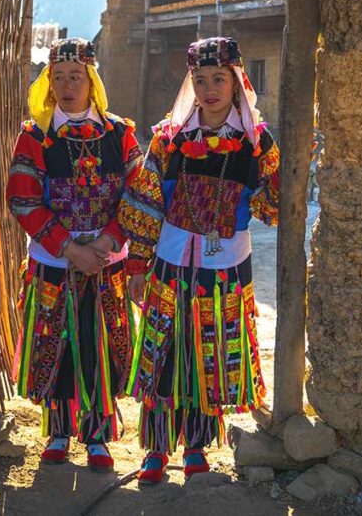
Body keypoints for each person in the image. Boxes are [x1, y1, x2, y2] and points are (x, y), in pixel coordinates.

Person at [118, 36, 280, 484]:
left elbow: (271, 209)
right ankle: (154, 449)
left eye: (219, 79)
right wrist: (136, 267)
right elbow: (147, 204)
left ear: (236, 82)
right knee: (162, 353)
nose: (210, 89)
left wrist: (285, 172)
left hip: (224, 270)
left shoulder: (256, 144)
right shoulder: (170, 139)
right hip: (170, 265)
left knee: (207, 357)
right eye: (201, 79)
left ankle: (194, 447)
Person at [6, 38, 142, 472]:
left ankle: (99, 434)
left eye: (75, 77)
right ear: (48, 82)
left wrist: (105, 243)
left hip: (106, 263)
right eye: (58, 77)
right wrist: (68, 248)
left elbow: (138, 194)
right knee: (58, 343)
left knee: (98, 343)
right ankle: (59, 430)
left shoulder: (120, 133)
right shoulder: (35, 137)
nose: (67, 86)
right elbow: (24, 199)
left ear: (91, 80)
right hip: (54, 263)